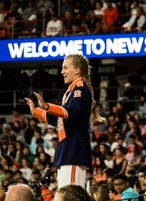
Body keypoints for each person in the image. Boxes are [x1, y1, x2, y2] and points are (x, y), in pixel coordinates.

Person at [25, 54, 104, 188]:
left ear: (77, 70)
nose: (62, 72)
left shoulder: (80, 90)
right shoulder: (72, 91)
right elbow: (59, 119)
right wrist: (36, 111)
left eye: (65, 68)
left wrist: (47, 106)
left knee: (70, 196)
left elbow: (68, 112)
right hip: (67, 151)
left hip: (74, 151)